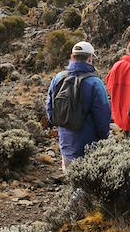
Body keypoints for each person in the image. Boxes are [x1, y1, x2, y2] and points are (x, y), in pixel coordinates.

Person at [45, 41, 111, 170]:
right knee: (87, 183)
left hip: (65, 143)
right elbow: (103, 116)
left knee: (71, 180)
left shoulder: (58, 78)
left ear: (72, 57)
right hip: (89, 146)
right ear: (89, 58)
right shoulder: (95, 83)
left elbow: (50, 109)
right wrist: (104, 137)